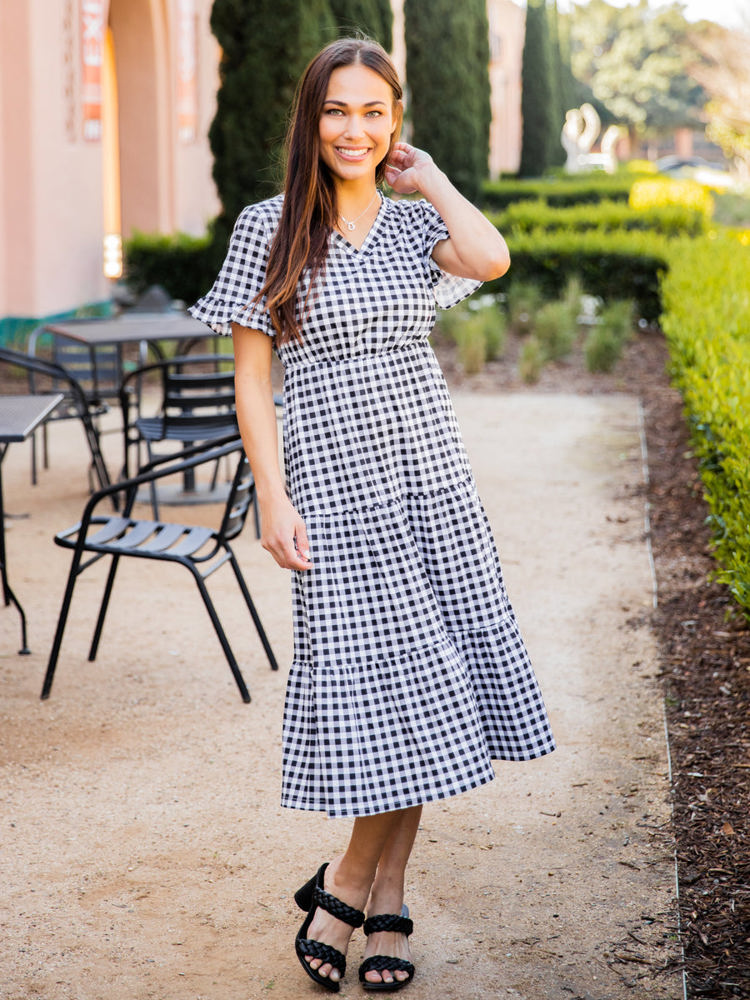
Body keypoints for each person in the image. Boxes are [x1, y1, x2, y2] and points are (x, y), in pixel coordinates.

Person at [190, 36, 555, 995]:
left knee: (429, 688)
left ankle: (372, 886)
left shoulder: (406, 226)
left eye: (374, 112)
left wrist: (430, 178)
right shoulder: (266, 229)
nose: (355, 129)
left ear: (393, 122)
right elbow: (252, 385)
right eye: (337, 110)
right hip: (333, 489)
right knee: (379, 686)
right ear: (311, 120)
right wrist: (271, 495)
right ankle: (363, 882)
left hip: (428, 479)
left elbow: (492, 254)